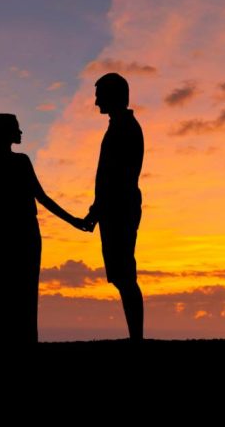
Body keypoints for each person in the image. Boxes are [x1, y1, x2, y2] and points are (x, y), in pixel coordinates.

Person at [0, 113, 87, 346]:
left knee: (12, 291)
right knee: (15, 292)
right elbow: (40, 199)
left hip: (12, 233)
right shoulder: (14, 162)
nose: (21, 132)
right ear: (5, 132)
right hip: (19, 233)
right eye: (17, 128)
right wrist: (73, 221)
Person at [84, 73, 144, 341]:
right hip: (114, 207)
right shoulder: (119, 126)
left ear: (113, 96)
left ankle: (136, 338)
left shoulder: (124, 128)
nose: (96, 102)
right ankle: (136, 336)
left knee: (124, 275)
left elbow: (116, 176)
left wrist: (98, 210)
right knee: (122, 276)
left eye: (99, 95)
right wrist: (97, 210)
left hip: (120, 208)